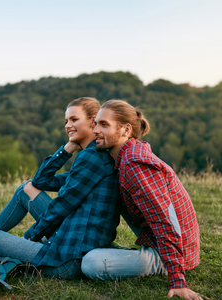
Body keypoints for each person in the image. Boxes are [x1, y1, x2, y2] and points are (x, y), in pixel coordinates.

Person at [0, 97, 121, 279]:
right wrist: (66, 149)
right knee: (25, 188)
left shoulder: (91, 158)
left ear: (93, 121)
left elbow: (61, 206)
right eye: (66, 121)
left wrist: (29, 238)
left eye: (74, 119)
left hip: (66, 259)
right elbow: (40, 181)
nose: (68, 125)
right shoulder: (94, 156)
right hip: (71, 243)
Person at [82, 99, 206, 300]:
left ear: (125, 130)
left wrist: (177, 280)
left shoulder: (134, 164)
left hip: (173, 253)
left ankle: (163, 265)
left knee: (90, 263)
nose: (96, 129)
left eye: (104, 125)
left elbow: (163, 221)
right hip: (160, 241)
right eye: (95, 123)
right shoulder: (123, 155)